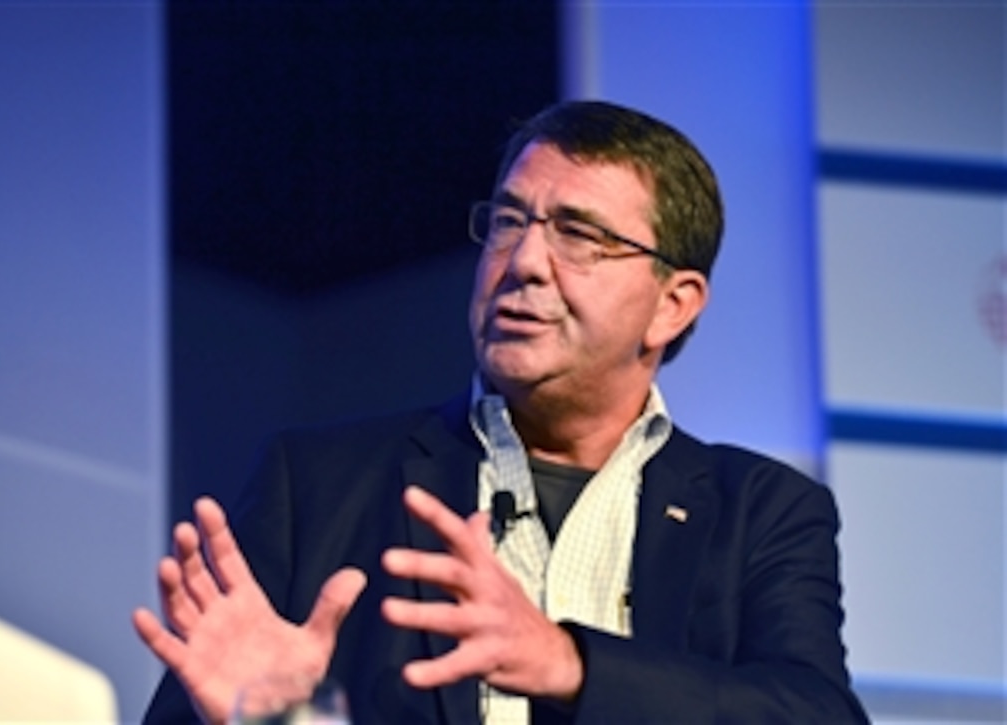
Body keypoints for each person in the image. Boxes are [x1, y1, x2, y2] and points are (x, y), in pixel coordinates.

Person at [134, 100, 869, 724]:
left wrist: (569, 663)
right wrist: (274, 717)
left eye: (579, 234)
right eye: (511, 220)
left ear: (672, 305)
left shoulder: (762, 513)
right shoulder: (321, 484)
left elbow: (813, 713)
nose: (522, 261)